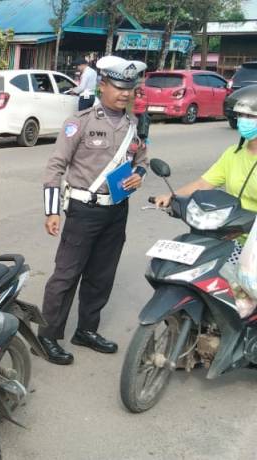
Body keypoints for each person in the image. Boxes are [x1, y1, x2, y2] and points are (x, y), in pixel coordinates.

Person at [38, 56, 150, 365]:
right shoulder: (82, 121)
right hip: (83, 209)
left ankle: (87, 330)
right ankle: (48, 334)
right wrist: (52, 212)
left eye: (131, 89)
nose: (126, 94)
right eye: (119, 87)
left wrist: (139, 176)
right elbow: (55, 167)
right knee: (66, 274)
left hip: (116, 209)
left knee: (102, 274)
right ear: (102, 86)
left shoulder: (133, 125)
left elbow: (142, 161)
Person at [155, 92, 257, 213]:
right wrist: (171, 196)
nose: (243, 120)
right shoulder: (233, 153)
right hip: (233, 227)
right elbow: (203, 184)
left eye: (250, 116)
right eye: (240, 115)